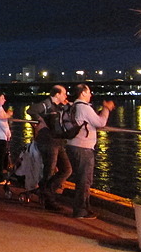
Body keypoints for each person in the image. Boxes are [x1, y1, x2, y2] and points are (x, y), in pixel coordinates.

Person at [65, 83, 116, 219]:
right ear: (82, 93)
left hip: (72, 145)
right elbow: (100, 123)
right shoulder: (84, 107)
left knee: (81, 179)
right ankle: (80, 211)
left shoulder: (72, 106)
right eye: (88, 92)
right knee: (84, 180)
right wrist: (106, 109)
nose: (90, 94)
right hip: (83, 147)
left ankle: (84, 208)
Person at [28, 85, 73, 212]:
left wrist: (68, 105)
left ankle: (45, 190)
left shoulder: (60, 106)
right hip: (47, 141)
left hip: (58, 141)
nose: (66, 96)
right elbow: (31, 110)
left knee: (67, 169)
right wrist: (40, 120)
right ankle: (49, 200)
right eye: (64, 93)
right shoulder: (46, 104)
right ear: (57, 94)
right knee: (49, 170)